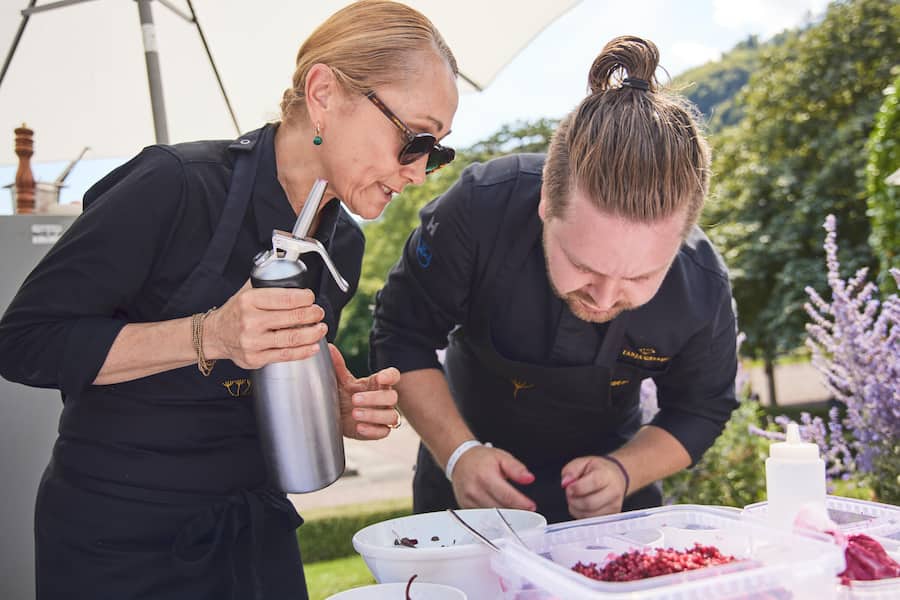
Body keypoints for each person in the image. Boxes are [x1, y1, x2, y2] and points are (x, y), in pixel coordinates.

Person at [0, 2, 458, 598]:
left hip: (252, 537)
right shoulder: (175, 184)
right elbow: (24, 343)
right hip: (118, 542)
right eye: (415, 139)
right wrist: (207, 334)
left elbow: (256, 391)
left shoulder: (341, 242)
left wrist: (326, 410)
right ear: (324, 93)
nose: (420, 171)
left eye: (438, 151)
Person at [370, 35, 738, 525]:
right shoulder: (480, 211)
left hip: (611, 504)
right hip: (462, 480)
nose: (606, 297)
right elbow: (401, 336)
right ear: (546, 203)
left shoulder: (701, 284)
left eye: (641, 276)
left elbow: (701, 408)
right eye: (584, 266)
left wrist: (624, 471)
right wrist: (458, 453)